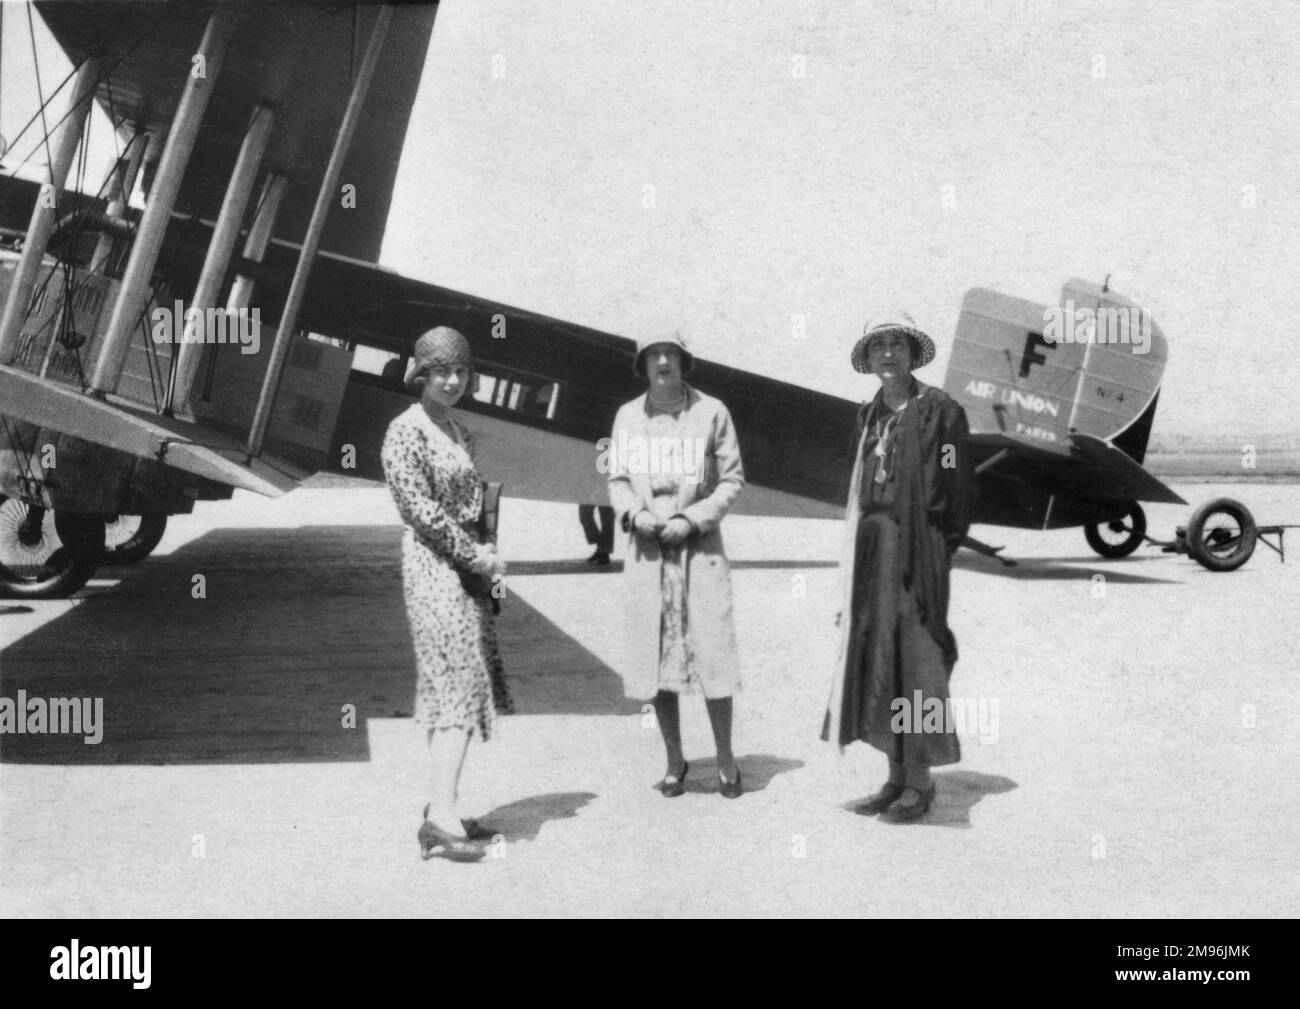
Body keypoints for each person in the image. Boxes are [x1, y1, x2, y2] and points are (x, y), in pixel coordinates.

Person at [823, 313, 973, 824]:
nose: (889, 353)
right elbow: (855, 496)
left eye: (897, 343)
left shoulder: (943, 413)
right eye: (878, 346)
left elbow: (957, 484)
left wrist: (933, 550)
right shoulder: (865, 418)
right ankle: (894, 777)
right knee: (879, 666)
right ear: (868, 359)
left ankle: (921, 781)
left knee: (920, 667)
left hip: (920, 556)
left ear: (912, 352)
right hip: (871, 557)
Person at [381, 326, 511, 861]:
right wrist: (472, 555)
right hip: (434, 568)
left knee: (452, 689)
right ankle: (440, 818)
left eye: (460, 371)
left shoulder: (461, 431)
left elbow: (478, 504)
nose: (452, 380)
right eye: (441, 371)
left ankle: (444, 806)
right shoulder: (404, 432)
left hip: (468, 570)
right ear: (420, 373)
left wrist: (489, 564)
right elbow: (420, 511)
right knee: (456, 684)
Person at [608, 330, 746, 798]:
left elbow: (731, 480)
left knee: (713, 656)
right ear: (643, 365)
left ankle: (726, 760)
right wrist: (637, 515)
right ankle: (674, 761)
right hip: (649, 554)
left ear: (684, 362)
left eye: (671, 354)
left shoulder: (712, 412)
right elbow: (618, 479)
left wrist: (691, 519)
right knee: (656, 660)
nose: (663, 361)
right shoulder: (628, 416)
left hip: (698, 551)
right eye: (654, 355)